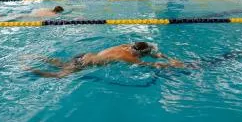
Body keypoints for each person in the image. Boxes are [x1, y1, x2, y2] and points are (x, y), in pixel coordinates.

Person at [25, 42, 184, 78]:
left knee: (60, 63)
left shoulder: (126, 46)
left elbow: (154, 52)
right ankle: (29, 69)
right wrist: (170, 64)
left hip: (83, 55)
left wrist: (167, 57)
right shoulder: (127, 57)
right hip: (86, 63)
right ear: (139, 53)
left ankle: (37, 57)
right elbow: (150, 64)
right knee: (59, 76)